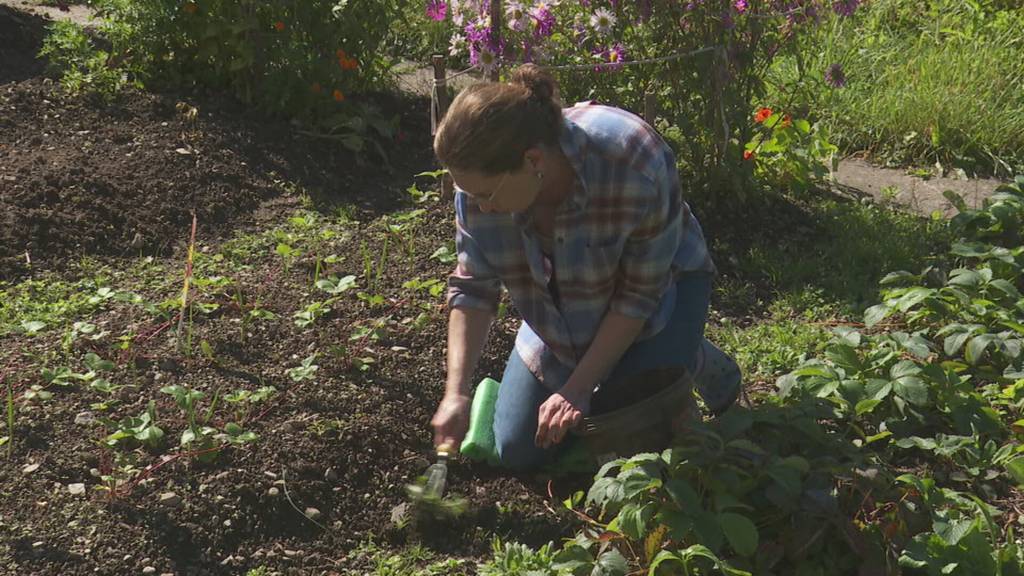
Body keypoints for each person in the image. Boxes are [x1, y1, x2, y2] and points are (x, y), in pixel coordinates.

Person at [430, 64, 738, 471]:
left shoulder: (631, 160)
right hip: (563, 306)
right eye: (468, 194)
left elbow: (638, 294)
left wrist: (578, 388)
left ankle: (688, 353)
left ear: (533, 159)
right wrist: (457, 391)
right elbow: (474, 288)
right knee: (520, 451)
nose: (479, 207)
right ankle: (623, 367)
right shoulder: (479, 190)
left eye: (487, 195)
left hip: (662, 295)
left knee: (627, 430)